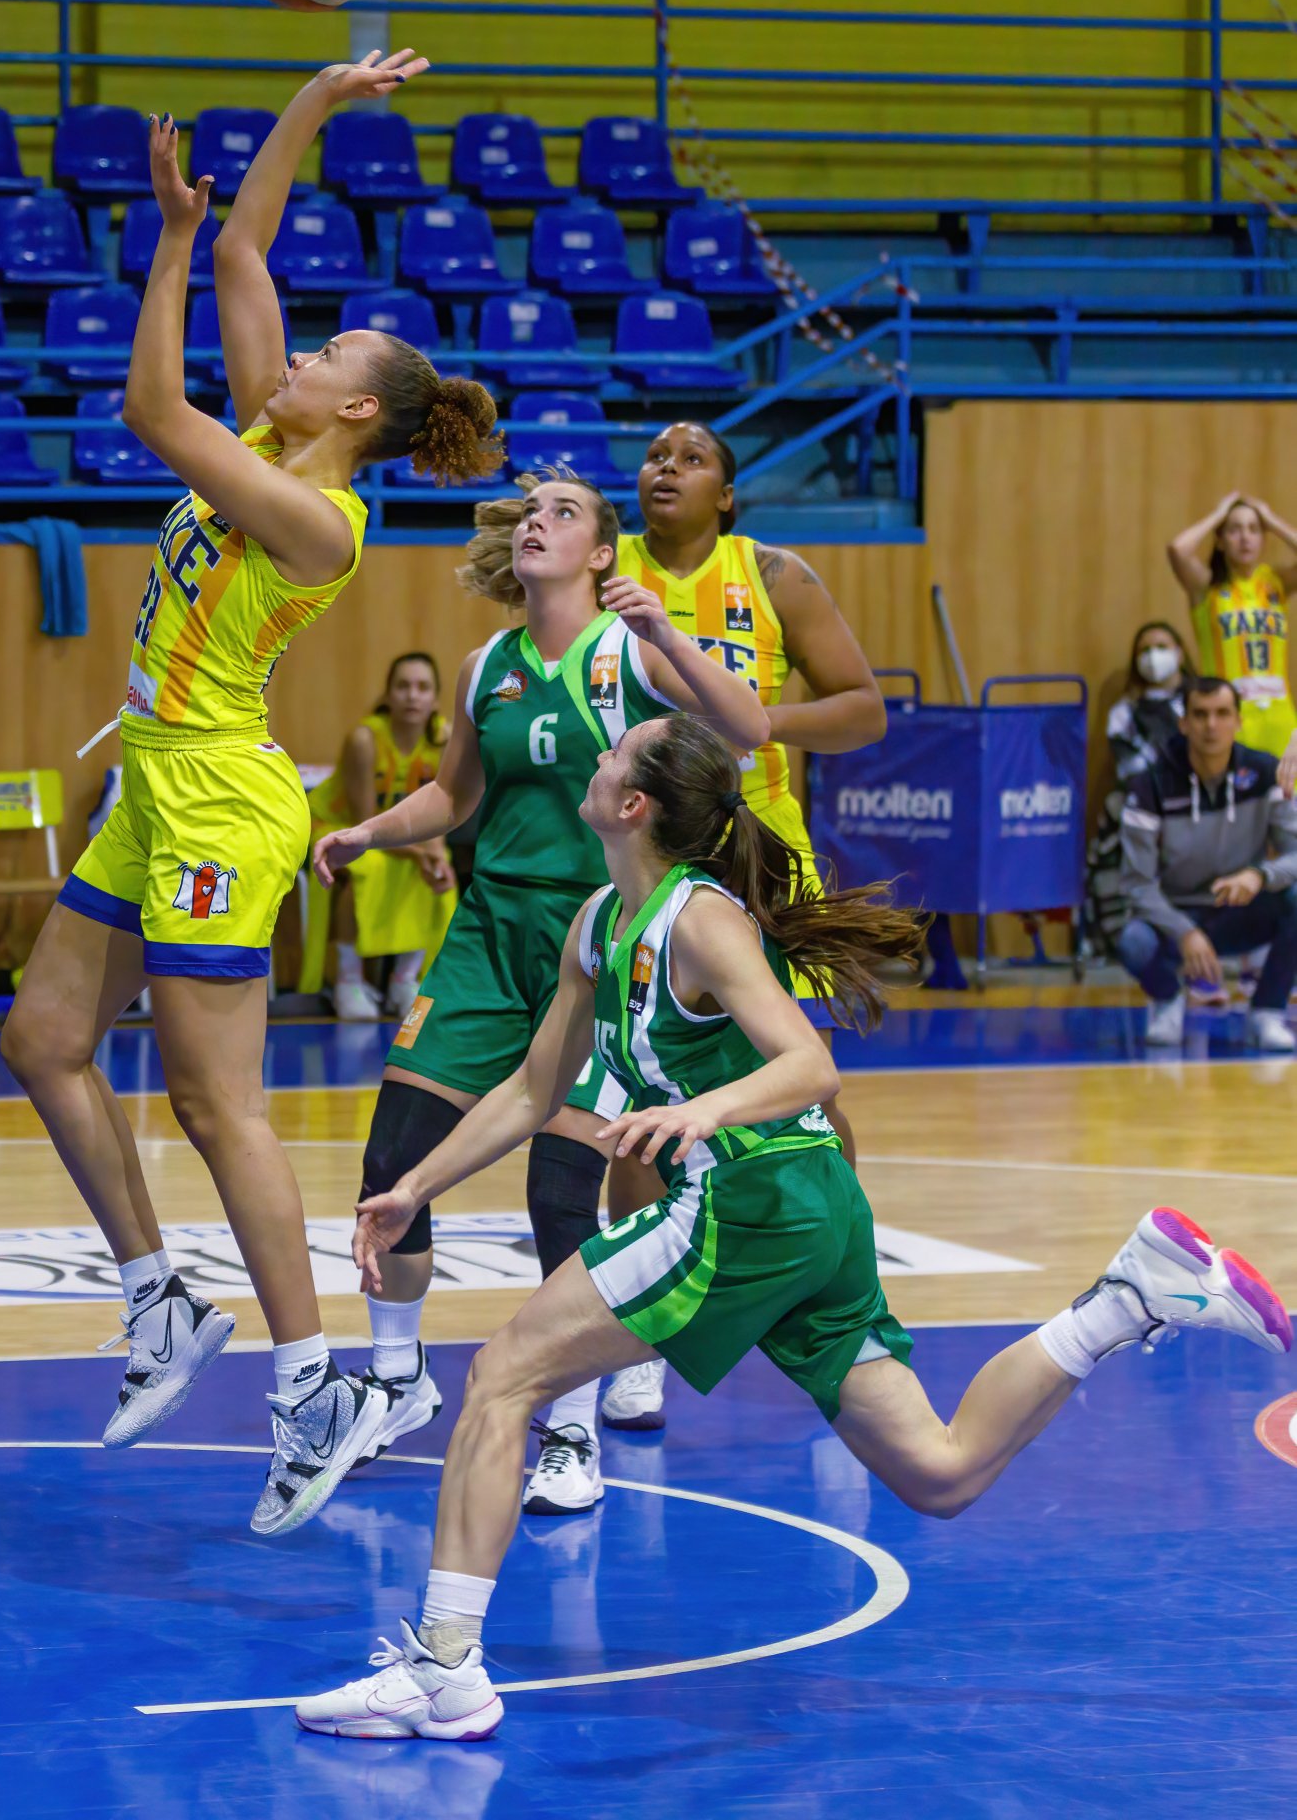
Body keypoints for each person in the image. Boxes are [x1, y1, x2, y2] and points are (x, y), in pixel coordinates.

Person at [295, 712, 1293, 1743]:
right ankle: (1126, 1297)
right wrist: (414, 1186)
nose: (596, 754)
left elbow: (811, 1065)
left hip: (749, 1201)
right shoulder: (601, 921)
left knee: (505, 1374)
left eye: (614, 752)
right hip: (807, 1208)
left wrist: (702, 1110)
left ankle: (443, 1668)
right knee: (939, 1471)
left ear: (633, 804)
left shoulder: (699, 920)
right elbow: (528, 1089)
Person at [0, 49, 505, 1538]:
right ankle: (160, 1297)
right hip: (156, 781)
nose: (299, 350)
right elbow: (243, 250)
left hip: (222, 800)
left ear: (356, 407)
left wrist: (159, 244)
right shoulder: (274, 441)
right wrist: (319, 99)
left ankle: (314, 1382)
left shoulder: (313, 515)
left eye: (325, 350)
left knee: (217, 1103)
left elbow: (152, 409)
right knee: (43, 1039)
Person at [312, 475, 768, 1514]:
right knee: (393, 1154)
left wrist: (672, 633)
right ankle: (397, 1378)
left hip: (599, 935)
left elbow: (747, 727)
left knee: (560, 1191)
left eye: (563, 512)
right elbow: (454, 794)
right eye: (529, 510)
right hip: (489, 930)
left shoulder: (629, 651)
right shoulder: (487, 666)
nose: (535, 522)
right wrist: (369, 830)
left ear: (604, 553)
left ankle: (569, 1428)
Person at [582, 418, 887, 1435]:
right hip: (644, 846)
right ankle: (645, 1348)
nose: (664, 467)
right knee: (635, 1097)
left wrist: (745, 725)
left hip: (754, 849)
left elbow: (863, 708)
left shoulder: (774, 575)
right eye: (654, 455)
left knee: (809, 1092)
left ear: (726, 494)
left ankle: (848, 1313)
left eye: (691, 458)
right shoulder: (601, 563)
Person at [1119, 676, 1297, 1050]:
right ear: (1183, 723)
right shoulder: (1150, 785)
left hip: (1242, 911)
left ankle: (1267, 1011)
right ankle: (1168, 1000)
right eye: (1200, 715)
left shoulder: (1265, 773)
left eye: (1222, 714)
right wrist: (1184, 931)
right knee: (1132, 941)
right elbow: (1136, 883)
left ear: (1239, 721)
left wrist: (1259, 875)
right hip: (1176, 917)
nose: (1211, 725)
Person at [306, 651, 456, 1022]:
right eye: (403, 686)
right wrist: (419, 854)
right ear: (388, 695)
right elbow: (363, 825)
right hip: (339, 827)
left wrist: (434, 856)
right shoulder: (365, 739)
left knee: (438, 870)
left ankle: (406, 979)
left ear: (435, 699)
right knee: (368, 866)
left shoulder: (444, 739)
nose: (412, 695)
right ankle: (348, 980)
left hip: (397, 832)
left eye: (423, 687)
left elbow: (440, 811)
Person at [1084, 621, 1192, 959]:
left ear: (1180, 653)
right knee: (1118, 809)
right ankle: (1124, 935)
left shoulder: (1203, 702)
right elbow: (1134, 771)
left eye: (1162, 647)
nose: (1153, 656)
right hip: (1146, 801)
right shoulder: (1124, 713)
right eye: (1145, 650)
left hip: (1201, 798)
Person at [1169, 491, 1297, 758]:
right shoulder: (1208, 586)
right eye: (1234, 530)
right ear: (1220, 540)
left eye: (1253, 529)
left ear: (1263, 539)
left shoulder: (1274, 583)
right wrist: (1218, 514)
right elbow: (1178, 549)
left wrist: (1271, 520)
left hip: (1279, 717)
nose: (1245, 537)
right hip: (1228, 718)